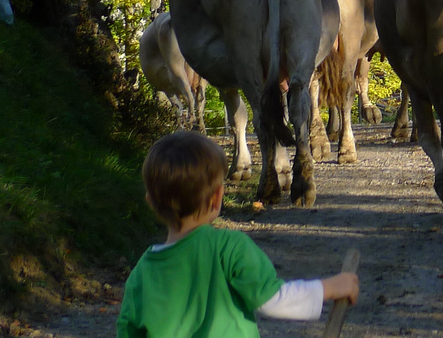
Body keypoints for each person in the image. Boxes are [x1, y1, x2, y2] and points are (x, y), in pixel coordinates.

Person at [117, 131, 358, 338]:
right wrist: (328, 288)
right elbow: (272, 299)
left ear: (150, 202)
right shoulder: (228, 247)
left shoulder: (141, 275)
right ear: (217, 197)